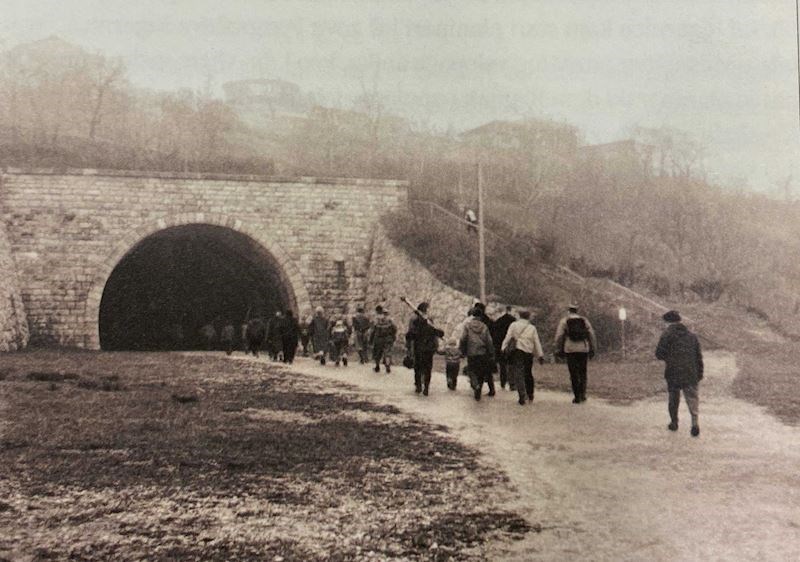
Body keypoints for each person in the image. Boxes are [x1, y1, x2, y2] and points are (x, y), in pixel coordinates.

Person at [656, 310, 704, 437]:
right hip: (690, 372)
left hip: (673, 372)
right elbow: (698, 357)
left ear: (668, 322)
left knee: (673, 398)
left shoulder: (666, 335)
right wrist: (699, 373)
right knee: (692, 398)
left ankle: (674, 422)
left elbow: (659, 354)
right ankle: (694, 423)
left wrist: (669, 358)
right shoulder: (692, 336)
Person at [554, 304, 598, 403]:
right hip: (583, 349)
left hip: (570, 349)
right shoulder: (584, 320)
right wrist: (593, 348)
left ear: (568, 311)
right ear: (577, 311)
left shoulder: (564, 321)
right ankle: (583, 394)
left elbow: (559, 336)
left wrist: (558, 349)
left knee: (573, 373)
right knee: (583, 372)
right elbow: (591, 334)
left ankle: (577, 396)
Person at [501, 309, 545, 405]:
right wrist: (540, 355)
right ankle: (530, 394)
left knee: (519, 373)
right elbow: (536, 342)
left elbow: (508, 337)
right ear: (528, 317)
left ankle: (522, 394)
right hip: (528, 352)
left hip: (518, 351)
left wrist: (503, 348)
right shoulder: (532, 328)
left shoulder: (514, 325)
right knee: (528, 373)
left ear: (519, 316)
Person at [405, 302, 445, 395]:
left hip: (418, 349)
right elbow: (440, 333)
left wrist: (409, 344)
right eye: (428, 309)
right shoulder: (429, 325)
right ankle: (426, 387)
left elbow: (409, 335)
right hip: (428, 350)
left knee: (418, 367)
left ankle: (419, 386)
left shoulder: (416, 324)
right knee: (427, 368)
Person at [459, 307, 496, 400]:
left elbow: (463, 338)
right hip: (482, 352)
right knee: (481, 372)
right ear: (480, 316)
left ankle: (475, 385)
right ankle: (478, 392)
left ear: (473, 315)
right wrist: (491, 351)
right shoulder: (484, 326)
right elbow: (489, 341)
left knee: (471, 370)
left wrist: (462, 349)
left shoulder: (467, 326)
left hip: (471, 352)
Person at [491, 305, 517, 390]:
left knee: (502, 365)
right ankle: (512, 384)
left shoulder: (498, 321)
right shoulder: (513, 321)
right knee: (511, 364)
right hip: (511, 346)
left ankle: (503, 382)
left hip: (500, 345)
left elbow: (494, 334)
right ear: (510, 310)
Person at [370, 305, 397, 373]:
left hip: (378, 339)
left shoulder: (377, 320)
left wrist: (371, 339)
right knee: (387, 352)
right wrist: (393, 336)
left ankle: (377, 367)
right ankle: (387, 365)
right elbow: (395, 329)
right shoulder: (390, 320)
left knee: (377, 353)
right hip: (388, 339)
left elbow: (373, 331)